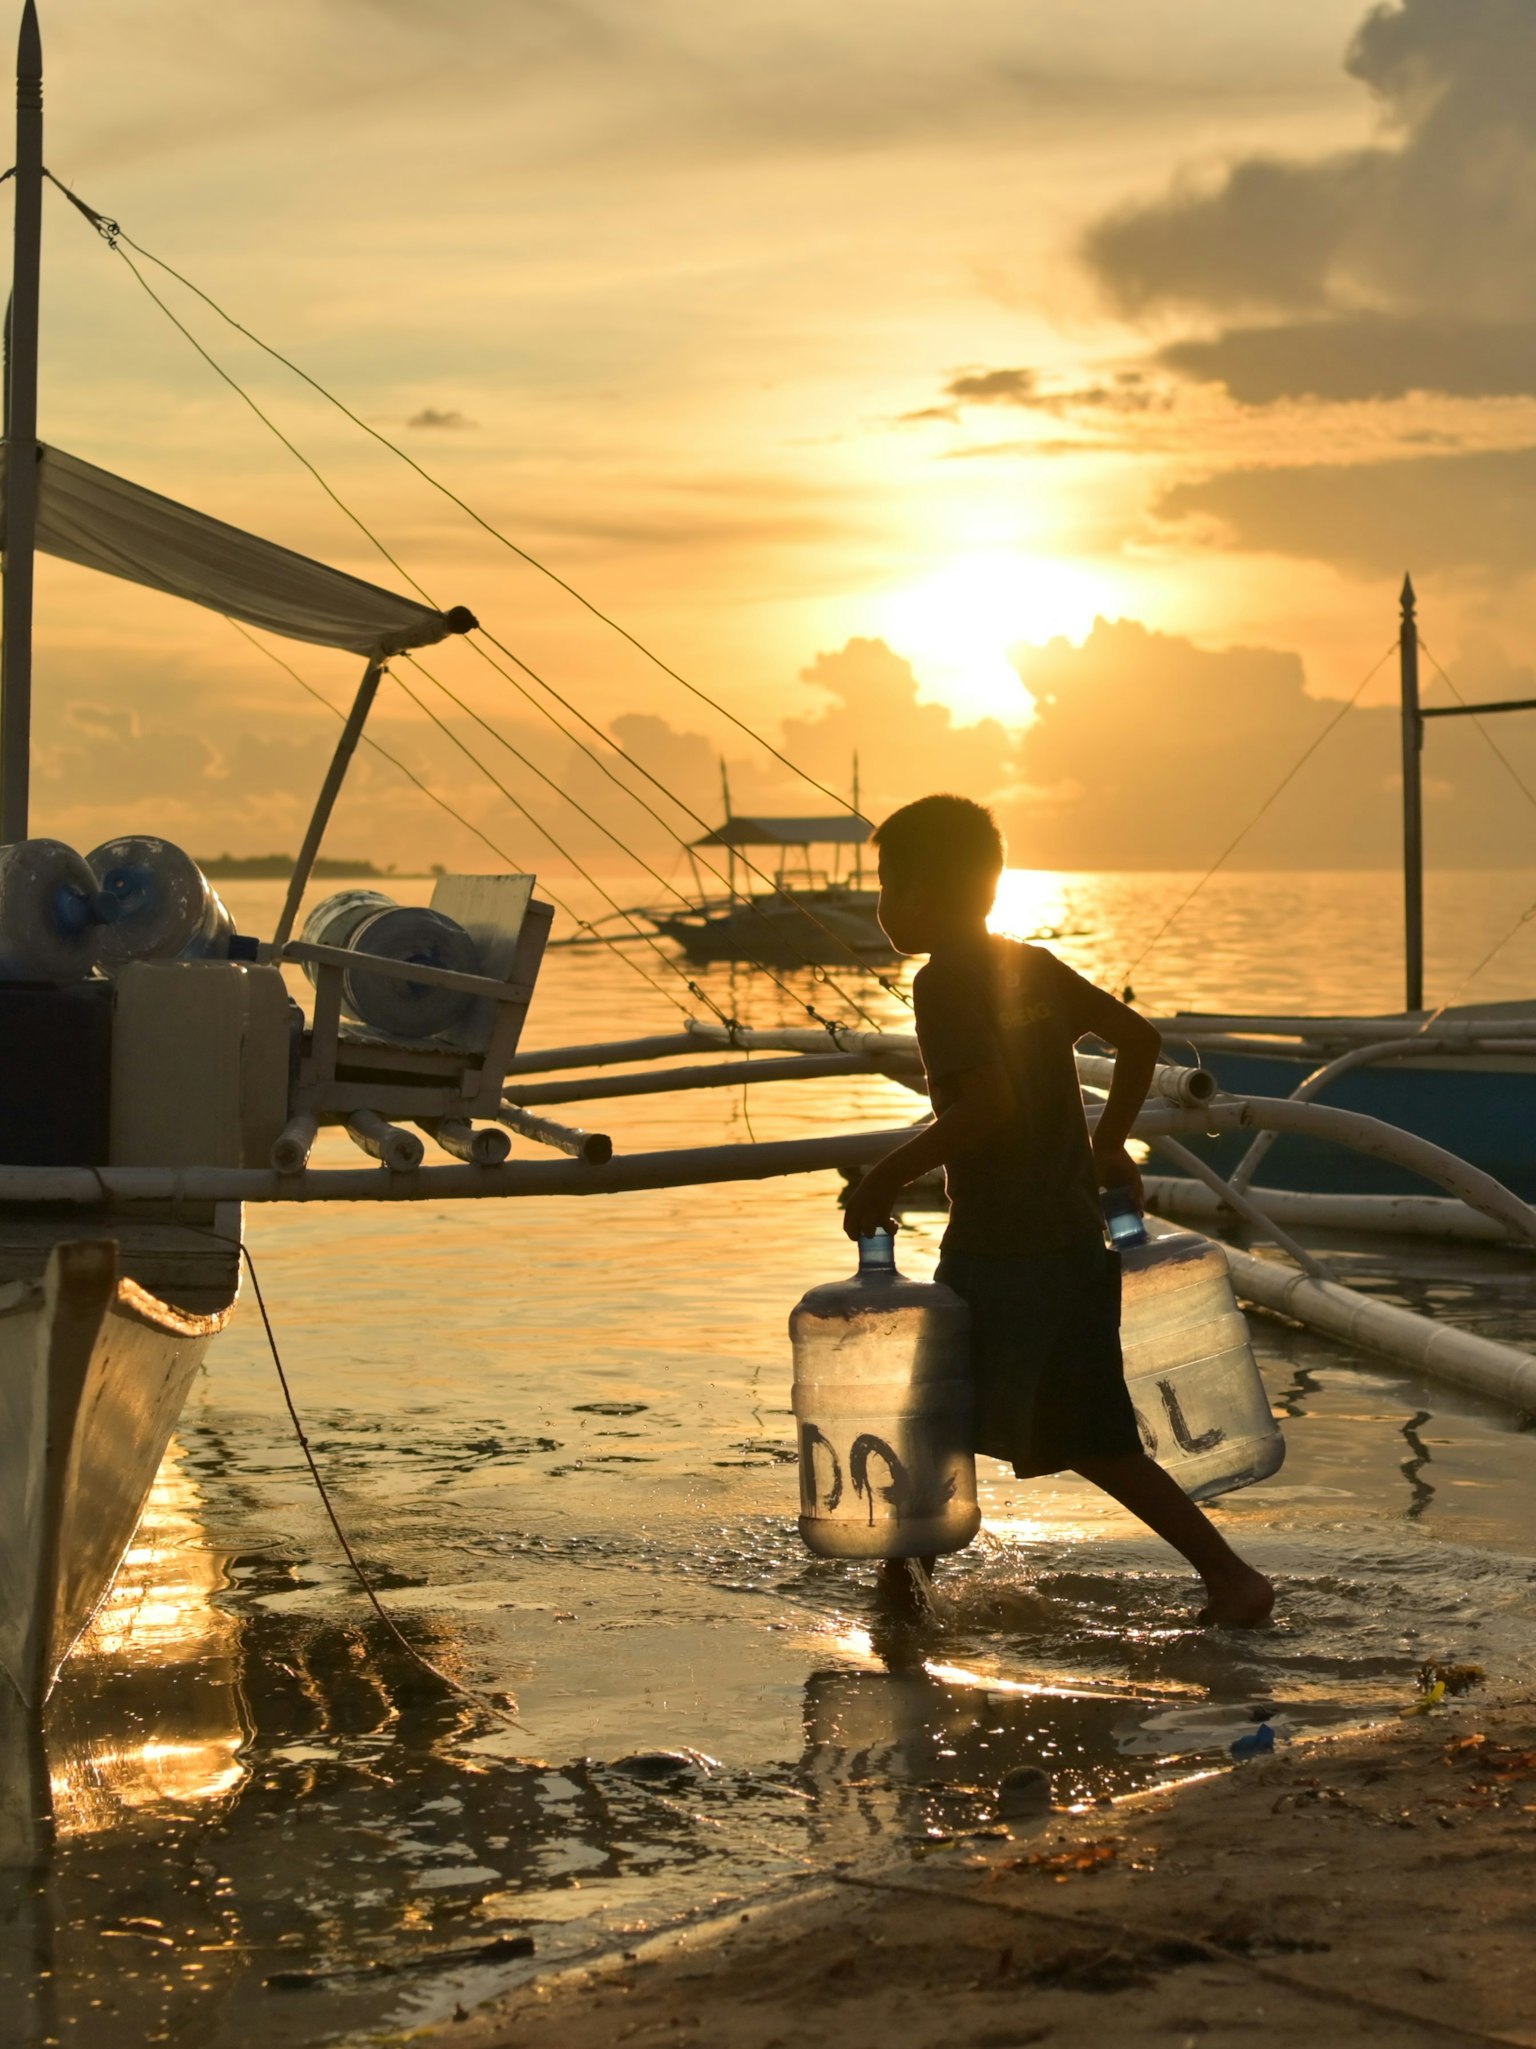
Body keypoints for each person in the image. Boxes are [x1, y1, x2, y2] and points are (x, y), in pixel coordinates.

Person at [841, 793, 1274, 1628]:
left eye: (889, 885)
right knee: (1060, 1429)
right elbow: (1140, 1039)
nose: (882, 904)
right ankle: (1227, 1579)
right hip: (1072, 1238)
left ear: (927, 892)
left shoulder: (943, 983)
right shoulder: (1029, 964)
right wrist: (1107, 1145)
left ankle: (900, 1597)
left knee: (946, 1411)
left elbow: (986, 1107)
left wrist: (884, 1177)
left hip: (1003, 1248)